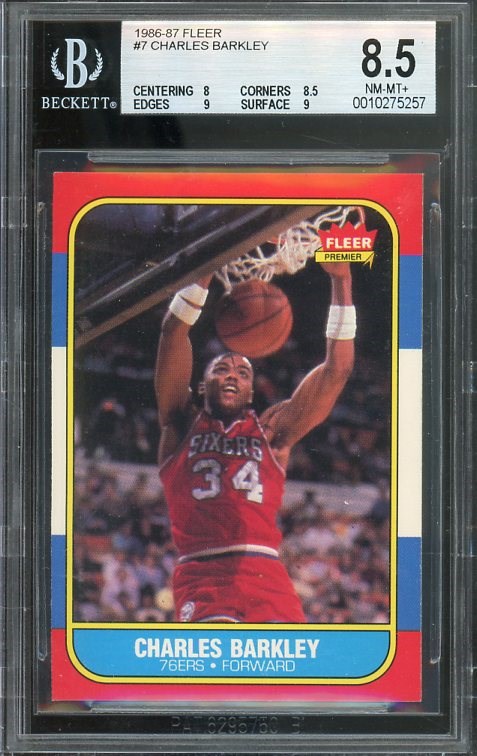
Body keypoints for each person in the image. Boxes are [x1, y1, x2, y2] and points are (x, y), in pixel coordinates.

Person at [155, 262, 355, 623]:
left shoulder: (272, 432)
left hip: (266, 573)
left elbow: (336, 370)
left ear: (251, 391)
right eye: (221, 370)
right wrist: (207, 264)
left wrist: (342, 280)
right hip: (203, 575)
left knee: (291, 660)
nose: (232, 375)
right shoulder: (180, 422)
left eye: (243, 372)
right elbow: (173, 332)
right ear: (201, 386)